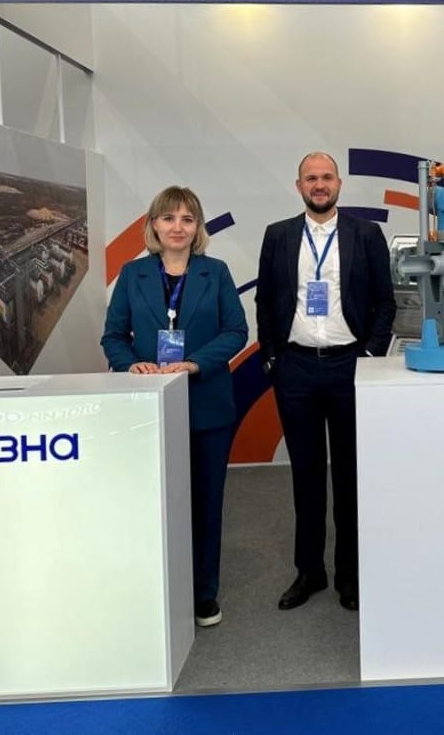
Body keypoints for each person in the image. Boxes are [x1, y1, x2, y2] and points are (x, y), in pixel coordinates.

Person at [101, 186, 248, 628]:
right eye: (168, 218)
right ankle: (159, 588)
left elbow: (236, 331)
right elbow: (113, 336)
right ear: (154, 225)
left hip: (207, 403)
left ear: (197, 227)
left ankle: (203, 592)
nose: (177, 227)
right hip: (151, 406)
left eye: (187, 219)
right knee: (155, 501)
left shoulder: (215, 272)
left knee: (206, 501)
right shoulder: (133, 274)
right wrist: (132, 364)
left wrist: (195, 362)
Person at [256, 152, 396, 612]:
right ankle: (309, 571)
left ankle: (349, 574)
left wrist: (370, 356)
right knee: (306, 474)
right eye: (311, 178)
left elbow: (385, 302)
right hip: (295, 367)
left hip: (349, 366)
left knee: (351, 474)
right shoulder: (278, 235)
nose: (320, 184)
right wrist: (272, 357)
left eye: (327, 177)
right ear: (299, 185)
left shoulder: (365, 234)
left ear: (339, 183)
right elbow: (265, 301)